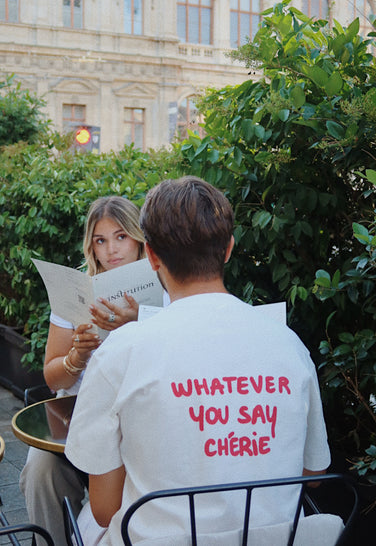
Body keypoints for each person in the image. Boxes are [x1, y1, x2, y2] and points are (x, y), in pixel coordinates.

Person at [65, 176, 331, 546]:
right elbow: (314, 472)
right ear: (228, 250)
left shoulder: (120, 352)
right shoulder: (289, 345)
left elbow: (105, 511)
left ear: (152, 256)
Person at [19, 196, 146, 546]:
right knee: (40, 468)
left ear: (138, 238)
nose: (112, 250)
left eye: (121, 237)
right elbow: (51, 376)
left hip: (140, 415)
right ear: (91, 245)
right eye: (100, 240)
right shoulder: (76, 292)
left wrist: (139, 323)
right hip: (79, 415)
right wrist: (77, 356)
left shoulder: (164, 288)